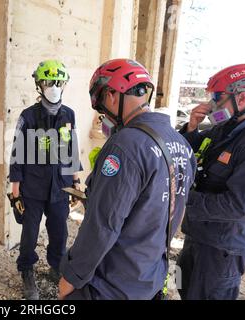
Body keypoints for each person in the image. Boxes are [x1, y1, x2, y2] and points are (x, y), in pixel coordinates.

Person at [58, 59, 196, 300]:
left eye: (101, 107)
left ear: (112, 95)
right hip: (149, 277)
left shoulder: (125, 146)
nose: (103, 116)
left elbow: (102, 224)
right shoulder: (181, 144)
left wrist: (72, 276)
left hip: (112, 283)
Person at [9, 60, 83, 300]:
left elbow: (72, 149)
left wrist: (76, 183)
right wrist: (15, 191)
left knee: (59, 231)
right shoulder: (28, 116)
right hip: (32, 188)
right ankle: (27, 269)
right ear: (39, 85)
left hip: (60, 188)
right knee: (30, 233)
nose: (53, 87)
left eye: (58, 82)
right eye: (48, 82)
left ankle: (55, 266)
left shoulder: (69, 115)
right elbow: (17, 152)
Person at [176, 64, 245, 300]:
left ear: (242, 97)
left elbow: (240, 206)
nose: (211, 105)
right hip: (197, 235)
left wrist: (184, 197)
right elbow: (187, 152)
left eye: (217, 98)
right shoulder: (223, 129)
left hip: (222, 251)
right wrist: (191, 128)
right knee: (183, 288)